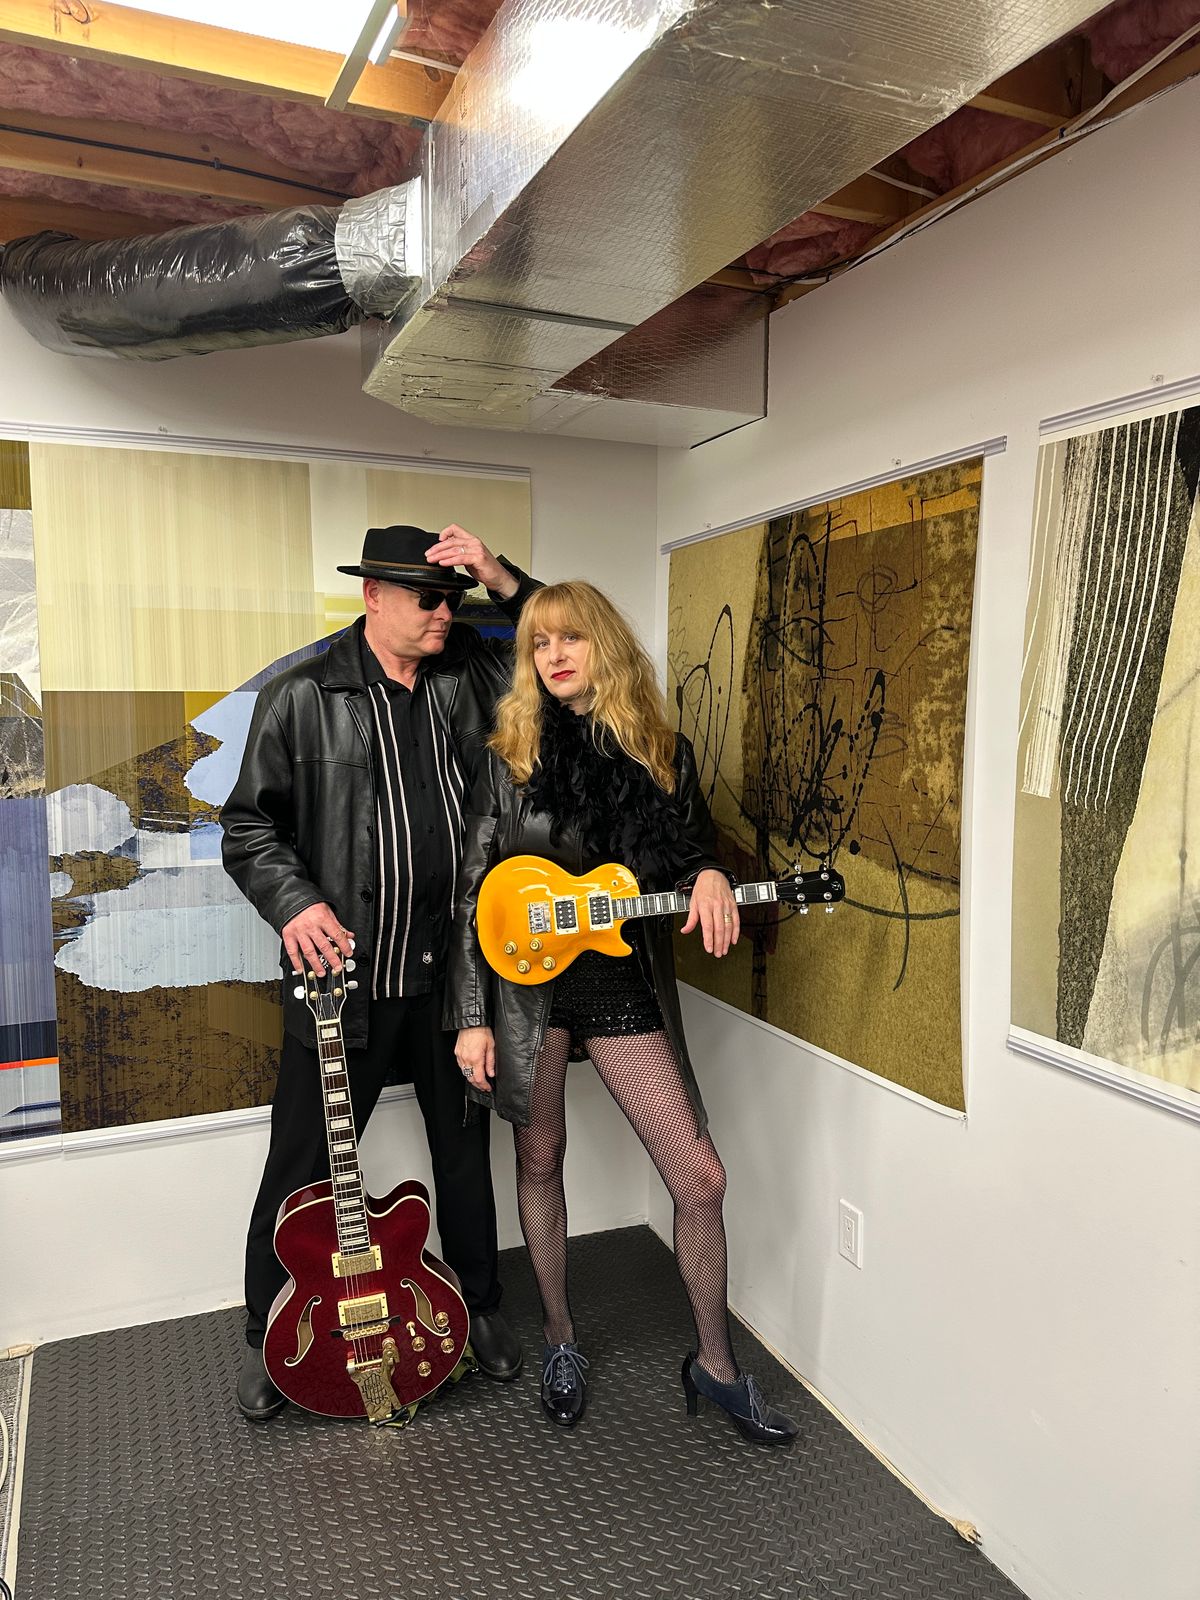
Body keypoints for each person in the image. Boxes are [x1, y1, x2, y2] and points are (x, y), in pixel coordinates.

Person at [448, 581, 798, 1443]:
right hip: (527, 992)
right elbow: (470, 892)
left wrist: (709, 874)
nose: (554, 656)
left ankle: (715, 1367)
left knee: (700, 1178)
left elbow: (688, 857)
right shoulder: (509, 755)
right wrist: (472, 1016)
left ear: (604, 643)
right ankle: (561, 1339)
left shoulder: (661, 753)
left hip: (615, 982)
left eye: (570, 638)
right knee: (540, 1160)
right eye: (539, 643)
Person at [222, 522, 533, 1420]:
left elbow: (558, 636)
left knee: (463, 1156)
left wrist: (493, 571)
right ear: (373, 597)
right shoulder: (301, 695)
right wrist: (294, 903)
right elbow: (247, 826)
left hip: (453, 985)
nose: (444, 614)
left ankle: (476, 1307)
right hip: (343, 988)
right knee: (303, 1162)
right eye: (428, 599)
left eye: (452, 600)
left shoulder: (473, 675)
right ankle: (271, 1333)